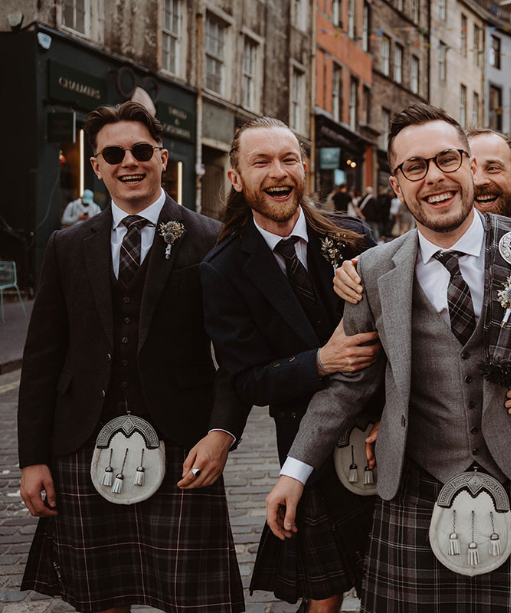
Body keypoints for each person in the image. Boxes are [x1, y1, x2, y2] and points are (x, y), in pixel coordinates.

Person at [265, 104, 511, 612]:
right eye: (415, 166)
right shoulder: (373, 271)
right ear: (397, 185)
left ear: (471, 167)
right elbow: (348, 385)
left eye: (447, 159)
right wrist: (293, 472)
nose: (433, 177)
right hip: (414, 492)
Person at [18, 101, 248, 613]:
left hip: (183, 443)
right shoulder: (67, 244)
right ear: (95, 166)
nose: (130, 161)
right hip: (82, 442)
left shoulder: (212, 239)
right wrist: (33, 457)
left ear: (163, 158)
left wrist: (221, 433)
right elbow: (42, 359)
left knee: (196, 599)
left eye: (142, 150)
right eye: (114, 153)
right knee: (100, 596)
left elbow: (236, 357)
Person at [333, 126, 511, 527]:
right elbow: (370, 365)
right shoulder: (382, 267)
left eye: (494, 167)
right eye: (418, 167)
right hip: (426, 474)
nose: (484, 179)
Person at [199, 117, 380, 613]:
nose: (278, 172)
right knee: (323, 598)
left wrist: (389, 414)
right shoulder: (223, 269)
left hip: (380, 436)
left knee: (394, 584)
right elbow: (246, 379)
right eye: (261, 162)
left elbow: (400, 337)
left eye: (288, 159)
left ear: (304, 168)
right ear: (236, 178)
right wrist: (320, 362)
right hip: (305, 441)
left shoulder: (352, 236)